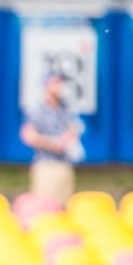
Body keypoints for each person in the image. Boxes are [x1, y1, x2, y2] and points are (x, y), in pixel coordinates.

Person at [20, 74, 81, 202]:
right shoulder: (38, 111)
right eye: (57, 83)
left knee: (64, 205)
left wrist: (67, 141)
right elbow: (28, 135)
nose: (60, 87)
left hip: (64, 163)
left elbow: (73, 132)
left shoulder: (67, 110)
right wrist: (51, 143)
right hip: (46, 164)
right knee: (45, 205)